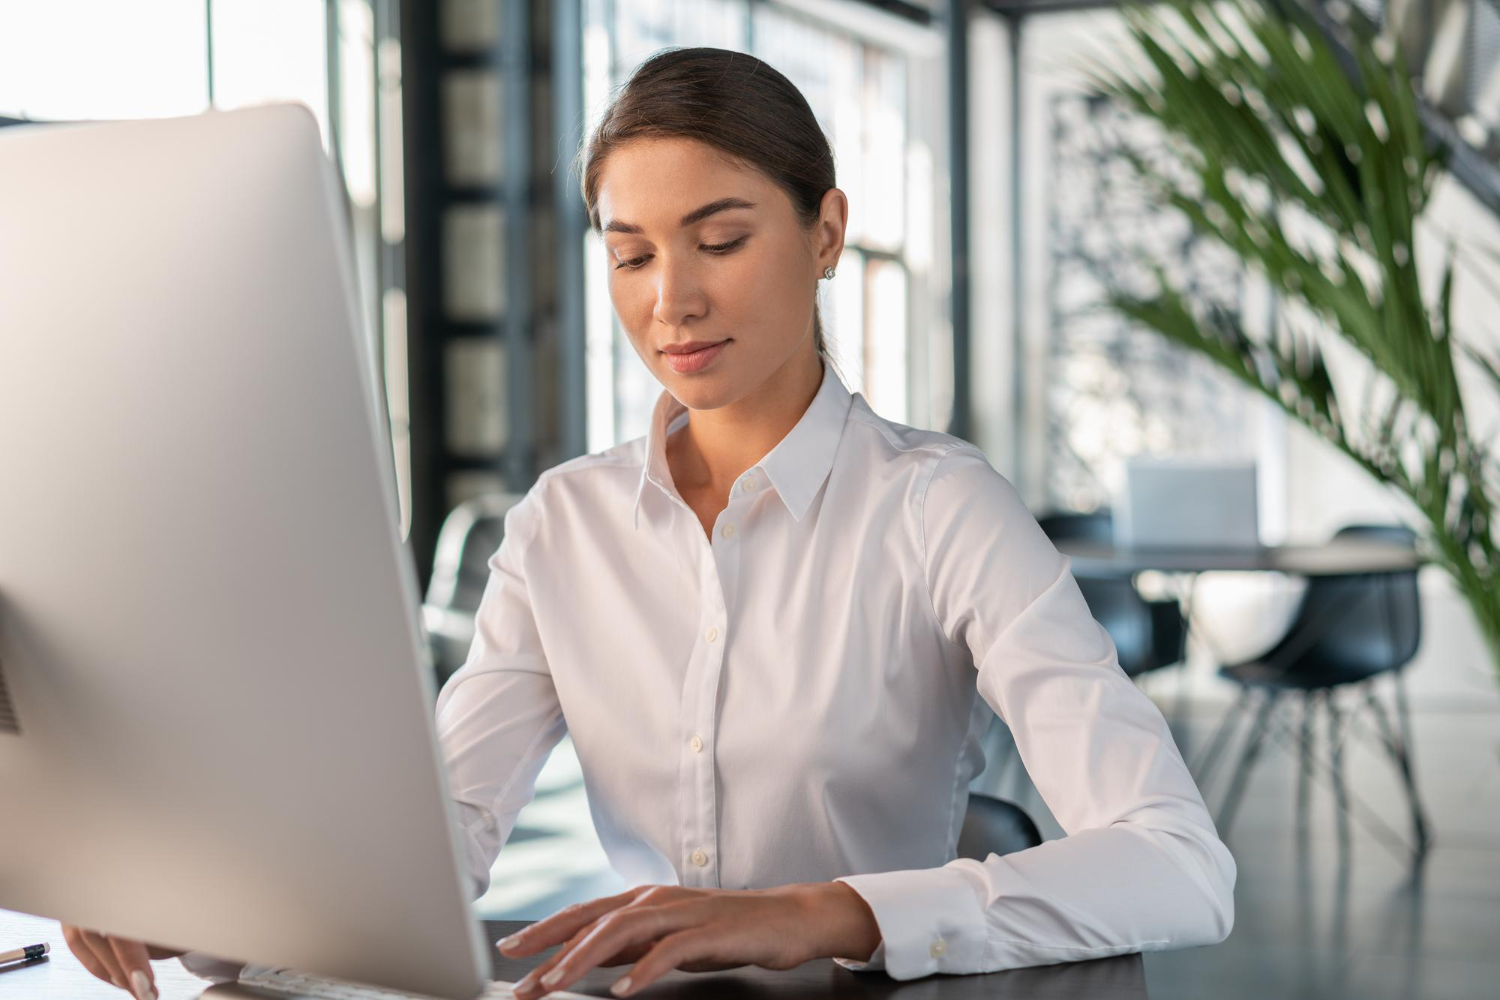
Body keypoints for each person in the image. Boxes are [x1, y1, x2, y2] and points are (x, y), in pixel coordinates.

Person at [64, 45, 1235, 1000]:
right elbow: (441, 836)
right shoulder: (564, 526)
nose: (672, 300)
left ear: (826, 233)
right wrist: (205, 906)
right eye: (631, 256)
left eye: (720, 241)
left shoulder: (938, 507)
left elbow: (1179, 863)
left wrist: (818, 912)